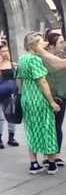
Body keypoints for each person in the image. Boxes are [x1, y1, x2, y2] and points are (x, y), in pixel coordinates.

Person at [18, 32, 61, 174]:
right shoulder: (35, 60)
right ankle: (51, 163)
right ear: (34, 44)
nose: (45, 43)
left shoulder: (22, 59)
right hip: (39, 98)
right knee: (47, 128)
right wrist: (52, 101)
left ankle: (34, 163)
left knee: (31, 129)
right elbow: (42, 82)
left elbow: (20, 80)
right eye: (42, 41)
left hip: (27, 97)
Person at [0, 43, 20, 148]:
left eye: (6, 51)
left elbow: (18, 79)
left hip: (11, 95)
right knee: (0, 117)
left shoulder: (13, 65)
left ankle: (11, 138)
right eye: (2, 51)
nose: (5, 53)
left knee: (11, 116)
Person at [41, 32, 66, 168]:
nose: (64, 44)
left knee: (57, 125)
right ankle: (47, 155)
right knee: (48, 126)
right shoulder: (41, 59)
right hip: (46, 97)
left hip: (61, 96)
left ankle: (56, 154)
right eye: (61, 42)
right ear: (51, 45)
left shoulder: (62, 57)